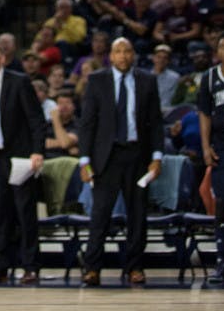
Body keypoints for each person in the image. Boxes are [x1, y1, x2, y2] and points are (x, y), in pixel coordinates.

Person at [79, 36, 163, 287]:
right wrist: (84, 160)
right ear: (111, 56)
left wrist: (157, 157)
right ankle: (92, 268)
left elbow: (156, 123)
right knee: (100, 215)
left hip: (138, 155)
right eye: (118, 51)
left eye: (127, 51)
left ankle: (135, 267)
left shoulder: (147, 80)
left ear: (133, 54)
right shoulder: (96, 80)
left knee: (137, 216)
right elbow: (87, 124)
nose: (123, 56)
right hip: (107, 157)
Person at [0, 39, 45, 285]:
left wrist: (37, 151)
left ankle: (30, 267)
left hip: (21, 157)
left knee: (25, 214)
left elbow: (36, 119)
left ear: (2, 57)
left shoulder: (19, 81)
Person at [198, 29, 224, 285]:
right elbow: (204, 114)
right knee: (221, 208)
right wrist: (205, 146)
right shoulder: (209, 78)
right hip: (223, 151)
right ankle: (222, 264)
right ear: (217, 52)